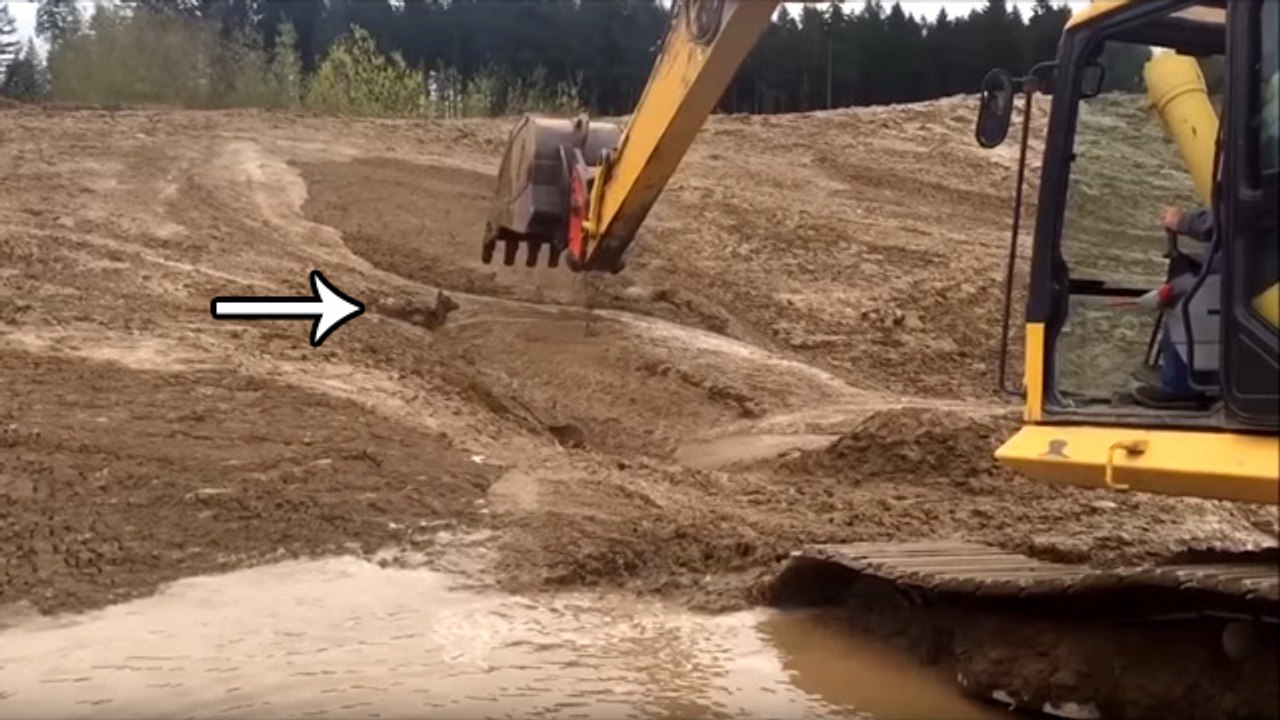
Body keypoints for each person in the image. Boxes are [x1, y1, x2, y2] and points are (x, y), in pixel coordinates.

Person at [1131, 204, 1221, 410]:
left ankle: (1180, 386)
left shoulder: (1263, 177)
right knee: (1187, 274)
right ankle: (1186, 371)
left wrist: (1183, 222)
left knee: (1182, 293)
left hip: (1254, 267)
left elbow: (1237, 215)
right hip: (1251, 257)